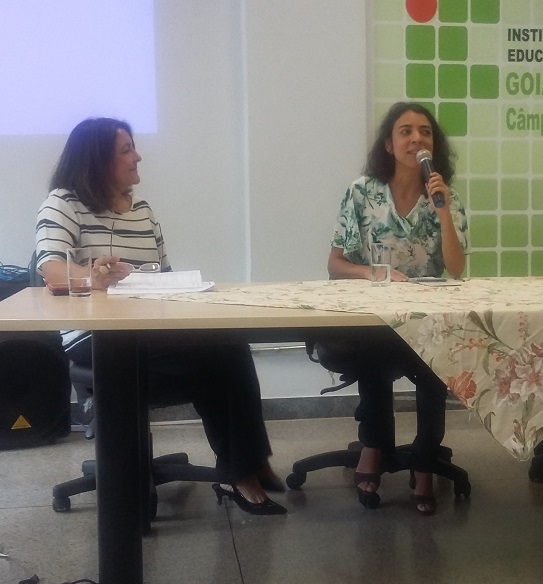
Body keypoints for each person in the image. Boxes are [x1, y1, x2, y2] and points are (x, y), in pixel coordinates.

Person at [35, 117, 286, 516]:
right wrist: (93, 278)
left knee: (227, 343)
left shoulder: (143, 211)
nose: (138, 156)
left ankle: (245, 465)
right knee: (220, 358)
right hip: (94, 339)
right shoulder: (64, 203)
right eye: (126, 150)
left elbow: (163, 280)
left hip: (150, 331)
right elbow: (50, 271)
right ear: (96, 160)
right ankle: (244, 468)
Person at [327, 101, 469, 515]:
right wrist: (374, 274)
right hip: (376, 317)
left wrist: (442, 212)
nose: (416, 139)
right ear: (389, 144)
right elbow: (336, 264)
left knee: (433, 370)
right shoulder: (361, 193)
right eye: (405, 131)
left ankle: (424, 462)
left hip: (428, 320)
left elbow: (457, 270)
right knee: (371, 358)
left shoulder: (446, 197)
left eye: (424, 132)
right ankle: (374, 445)